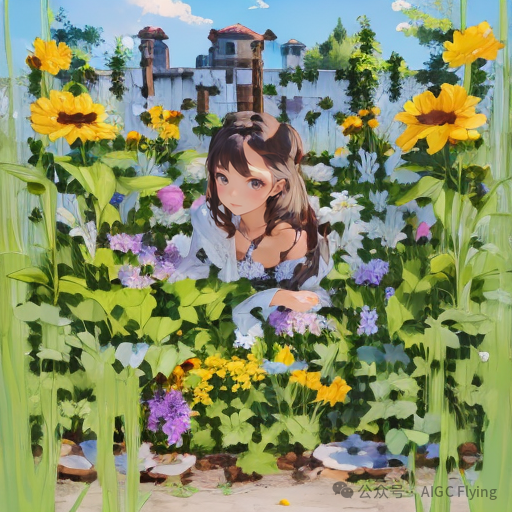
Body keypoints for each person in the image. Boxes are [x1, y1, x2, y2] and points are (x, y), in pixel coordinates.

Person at [175, 111, 333, 337]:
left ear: (277, 186)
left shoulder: (293, 238)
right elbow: (188, 285)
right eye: (223, 178)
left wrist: (272, 300)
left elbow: (309, 302)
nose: (233, 194)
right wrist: (273, 297)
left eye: (254, 182)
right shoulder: (212, 222)